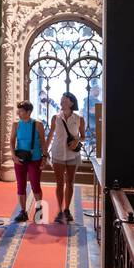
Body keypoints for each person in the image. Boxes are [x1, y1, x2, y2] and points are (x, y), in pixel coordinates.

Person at [48, 91, 85, 223]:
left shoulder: (79, 118)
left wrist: (77, 141)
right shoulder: (55, 118)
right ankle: (59, 209)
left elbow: (83, 136)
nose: (61, 102)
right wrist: (45, 152)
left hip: (72, 154)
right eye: (61, 100)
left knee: (70, 182)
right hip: (57, 153)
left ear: (71, 103)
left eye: (64, 100)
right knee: (59, 183)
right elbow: (51, 135)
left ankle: (67, 209)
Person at [9, 99, 47, 222]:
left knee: (35, 185)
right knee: (20, 186)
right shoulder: (16, 124)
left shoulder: (38, 124)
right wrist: (13, 155)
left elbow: (43, 142)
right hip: (19, 158)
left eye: (21, 111)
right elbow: (11, 141)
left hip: (35, 158)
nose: (18, 113)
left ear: (28, 111)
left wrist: (44, 158)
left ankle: (39, 210)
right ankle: (23, 212)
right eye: (18, 111)